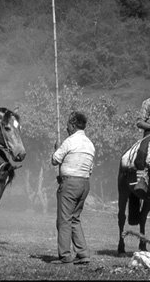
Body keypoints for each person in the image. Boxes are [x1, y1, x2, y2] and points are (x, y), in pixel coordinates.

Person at [51, 111, 94, 265]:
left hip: (69, 184)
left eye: (68, 124)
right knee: (74, 218)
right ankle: (83, 254)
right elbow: (89, 169)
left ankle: (64, 255)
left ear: (74, 124)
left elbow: (55, 160)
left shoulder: (69, 141)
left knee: (64, 220)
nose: (66, 127)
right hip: (84, 184)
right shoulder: (90, 144)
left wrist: (57, 148)